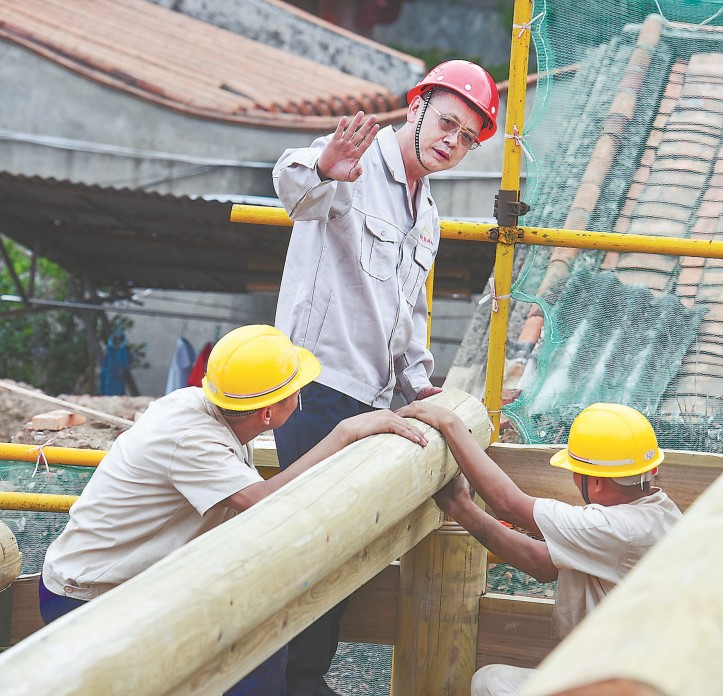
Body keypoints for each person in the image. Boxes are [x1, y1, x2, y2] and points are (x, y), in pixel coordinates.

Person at [270, 59, 499, 696]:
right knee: (310, 542)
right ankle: (288, 681)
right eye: (447, 122)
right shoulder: (358, 160)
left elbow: (409, 312)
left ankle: (302, 678)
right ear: (416, 106)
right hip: (317, 389)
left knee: (344, 544)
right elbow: (294, 187)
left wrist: (419, 386)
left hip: (371, 400)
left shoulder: (428, 212)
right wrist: (324, 168)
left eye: (467, 137)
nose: (451, 141)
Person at [39, 325, 427, 695]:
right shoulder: (193, 441)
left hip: (136, 589)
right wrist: (345, 432)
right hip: (88, 601)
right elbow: (264, 503)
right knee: (251, 643)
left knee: (260, 639)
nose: (301, 396)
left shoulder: (204, 410)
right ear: (268, 414)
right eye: (297, 392)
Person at [397, 401, 684, 696]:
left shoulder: (615, 528)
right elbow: (542, 564)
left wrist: (450, 423)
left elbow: (509, 504)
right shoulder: (661, 514)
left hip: (620, 685)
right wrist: (461, 507)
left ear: (596, 482)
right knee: (492, 682)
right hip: (634, 676)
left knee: (494, 686)